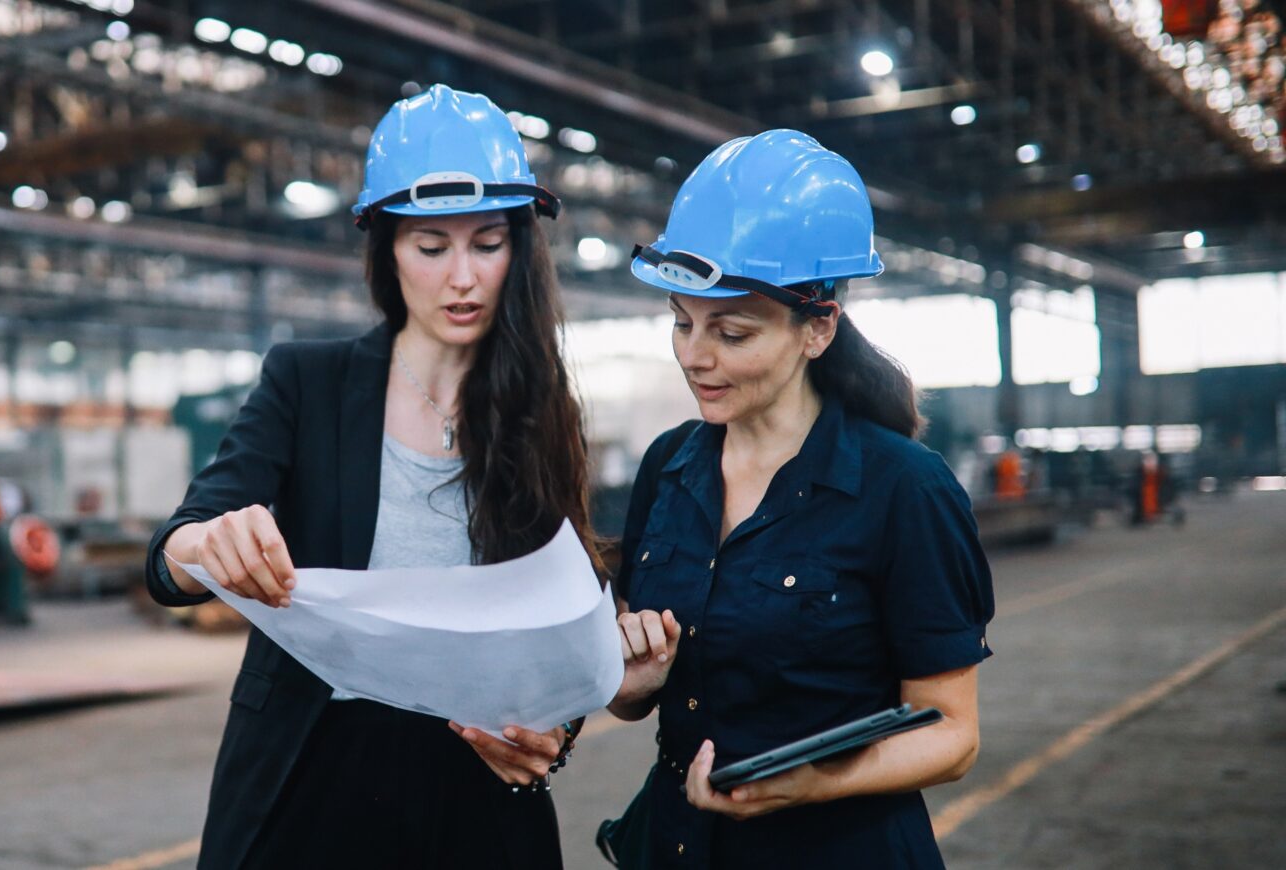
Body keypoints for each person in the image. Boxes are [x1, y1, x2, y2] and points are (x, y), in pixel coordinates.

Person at [144, 84, 595, 870]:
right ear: (386, 249)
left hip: (471, 772)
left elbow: (559, 616)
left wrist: (549, 741)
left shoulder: (540, 410)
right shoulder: (306, 384)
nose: (462, 277)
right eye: (430, 246)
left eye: (487, 244)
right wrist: (207, 544)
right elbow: (168, 558)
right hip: (314, 767)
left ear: (520, 249)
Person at [605, 130, 994, 868]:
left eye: (732, 332)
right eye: (681, 323)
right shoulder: (668, 468)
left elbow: (953, 733)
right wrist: (631, 684)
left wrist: (815, 782)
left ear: (818, 328)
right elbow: (635, 694)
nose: (695, 355)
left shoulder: (903, 489)